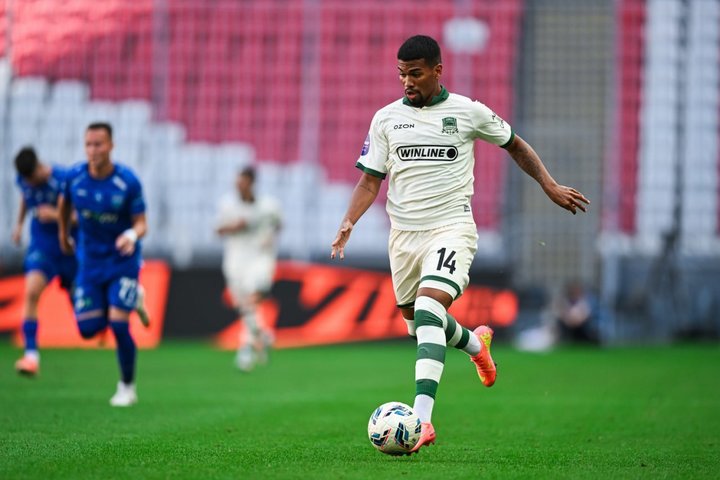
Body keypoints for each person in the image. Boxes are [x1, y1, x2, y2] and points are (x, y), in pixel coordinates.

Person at [330, 35, 590, 453]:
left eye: (415, 74)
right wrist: (349, 220)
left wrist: (549, 184)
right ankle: (475, 345)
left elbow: (515, 145)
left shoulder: (468, 112)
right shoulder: (386, 119)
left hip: (451, 229)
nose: (407, 82)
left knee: (430, 310)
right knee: (418, 324)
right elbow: (369, 180)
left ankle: (421, 421)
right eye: (401, 74)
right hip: (404, 238)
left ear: (437, 70)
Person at [58, 122, 150, 407]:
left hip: (122, 261)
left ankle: (127, 387)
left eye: (98, 144)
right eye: (88, 144)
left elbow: (142, 223)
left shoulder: (127, 181)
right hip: (90, 262)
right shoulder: (75, 177)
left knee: (119, 325)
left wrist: (131, 235)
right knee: (88, 329)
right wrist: (63, 234)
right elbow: (64, 205)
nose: (93, 150)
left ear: (111, 146)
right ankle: (134, 297)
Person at [11, 147, 78, 376]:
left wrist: (55, 215)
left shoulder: (63, 179)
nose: (29, 183)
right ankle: (31, 355)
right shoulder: (24, 180)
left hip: (69, 248)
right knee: (31, 292)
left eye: (31, 178)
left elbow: (80, 218)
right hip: (43, 247)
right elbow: (26, 197)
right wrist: (19, 224)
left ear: (39, 167)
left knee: (85, 322)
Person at [216, 166, 282, 372]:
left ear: (251, 183)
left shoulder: (268, 205)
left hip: (260, 258)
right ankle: (261, 335)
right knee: (244, 305)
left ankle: (245, 348)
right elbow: (218, 229)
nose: (239, 187)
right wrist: (235, 227)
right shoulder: (228, 204)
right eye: (237, 183)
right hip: (235, 260)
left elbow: (278, 224)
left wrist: (269, 237)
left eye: (243, 183)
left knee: (251, 299)